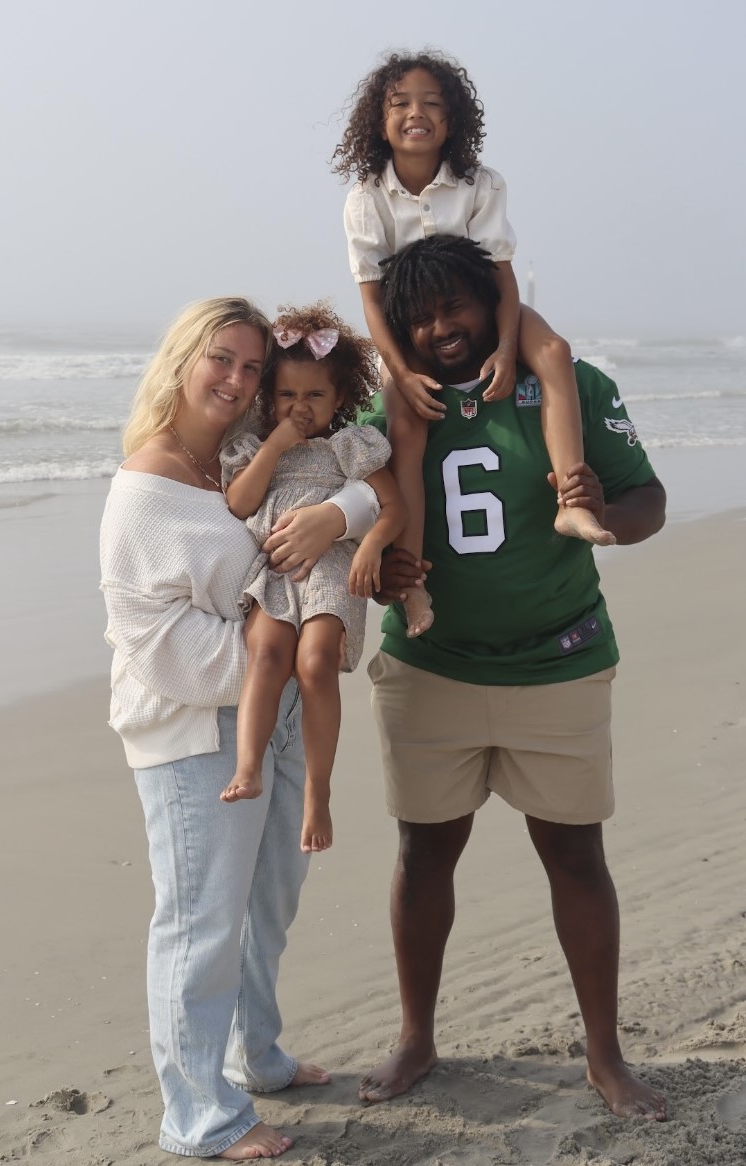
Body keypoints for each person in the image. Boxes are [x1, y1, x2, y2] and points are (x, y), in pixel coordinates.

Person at [358, 236, 668, 1121]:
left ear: (493, 303)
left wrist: (605, 512)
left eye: (455, 305)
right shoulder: (390, 406)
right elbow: (359, 521)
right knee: (424, 853)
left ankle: (604, 1054)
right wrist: (377, 569)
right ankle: (416, 1037)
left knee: (574, 854)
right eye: (420, 317)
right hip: (431, 666)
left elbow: (646, 499)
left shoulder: (569, 387)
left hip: (558, 659)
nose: (440, 328)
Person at [99, 297, 380, 1160]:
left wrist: (345, 520)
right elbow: (152, 639)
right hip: (193, 731)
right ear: (182, 360)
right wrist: (276, 655)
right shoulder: (146, 487)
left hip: (276, 711)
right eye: (221, 358)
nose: (237, 378)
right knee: (200, 924)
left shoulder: (238, 455)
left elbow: (352, 480)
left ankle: (254, 1055)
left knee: (269, 905)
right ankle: (199, 1116)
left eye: (252, 367)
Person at [334, 50, 615, 637]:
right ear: (378, 121)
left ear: (453, 118)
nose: (417, 113)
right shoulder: (366, 197)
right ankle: (413, 581)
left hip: (485, 309)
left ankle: (571, 502)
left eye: (432, 103)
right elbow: (372, 300)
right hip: (410, 326)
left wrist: (508, 347)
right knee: (407, 426)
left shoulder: (480, 183)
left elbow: (501, 277)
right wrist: (400, 372)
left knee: (554, 352)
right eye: (401, 103)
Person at [219, 302, 405, 854]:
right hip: (276, 569)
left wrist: (371, 544)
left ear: (341, 398)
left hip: (331, 568)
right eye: (286, 395)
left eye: (315, 396)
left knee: (316, 662)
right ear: (267, 397)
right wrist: (277, 443)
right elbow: (240, 502)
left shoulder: (350, 446)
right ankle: (248, 766)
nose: (299, 408)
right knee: (267, 655)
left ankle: (317, 792)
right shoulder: (256, 449)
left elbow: (393, 508)